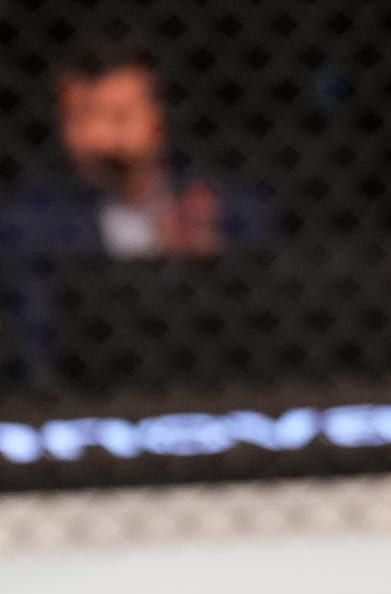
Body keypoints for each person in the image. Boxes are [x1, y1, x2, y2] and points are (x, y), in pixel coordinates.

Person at [0, 38, 273, 382]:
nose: (99, 137)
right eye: (82, 117)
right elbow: (33, 342)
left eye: (120, 117)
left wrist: (207, 264)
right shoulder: (30, 223)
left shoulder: (223, 208)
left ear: (159, 117)